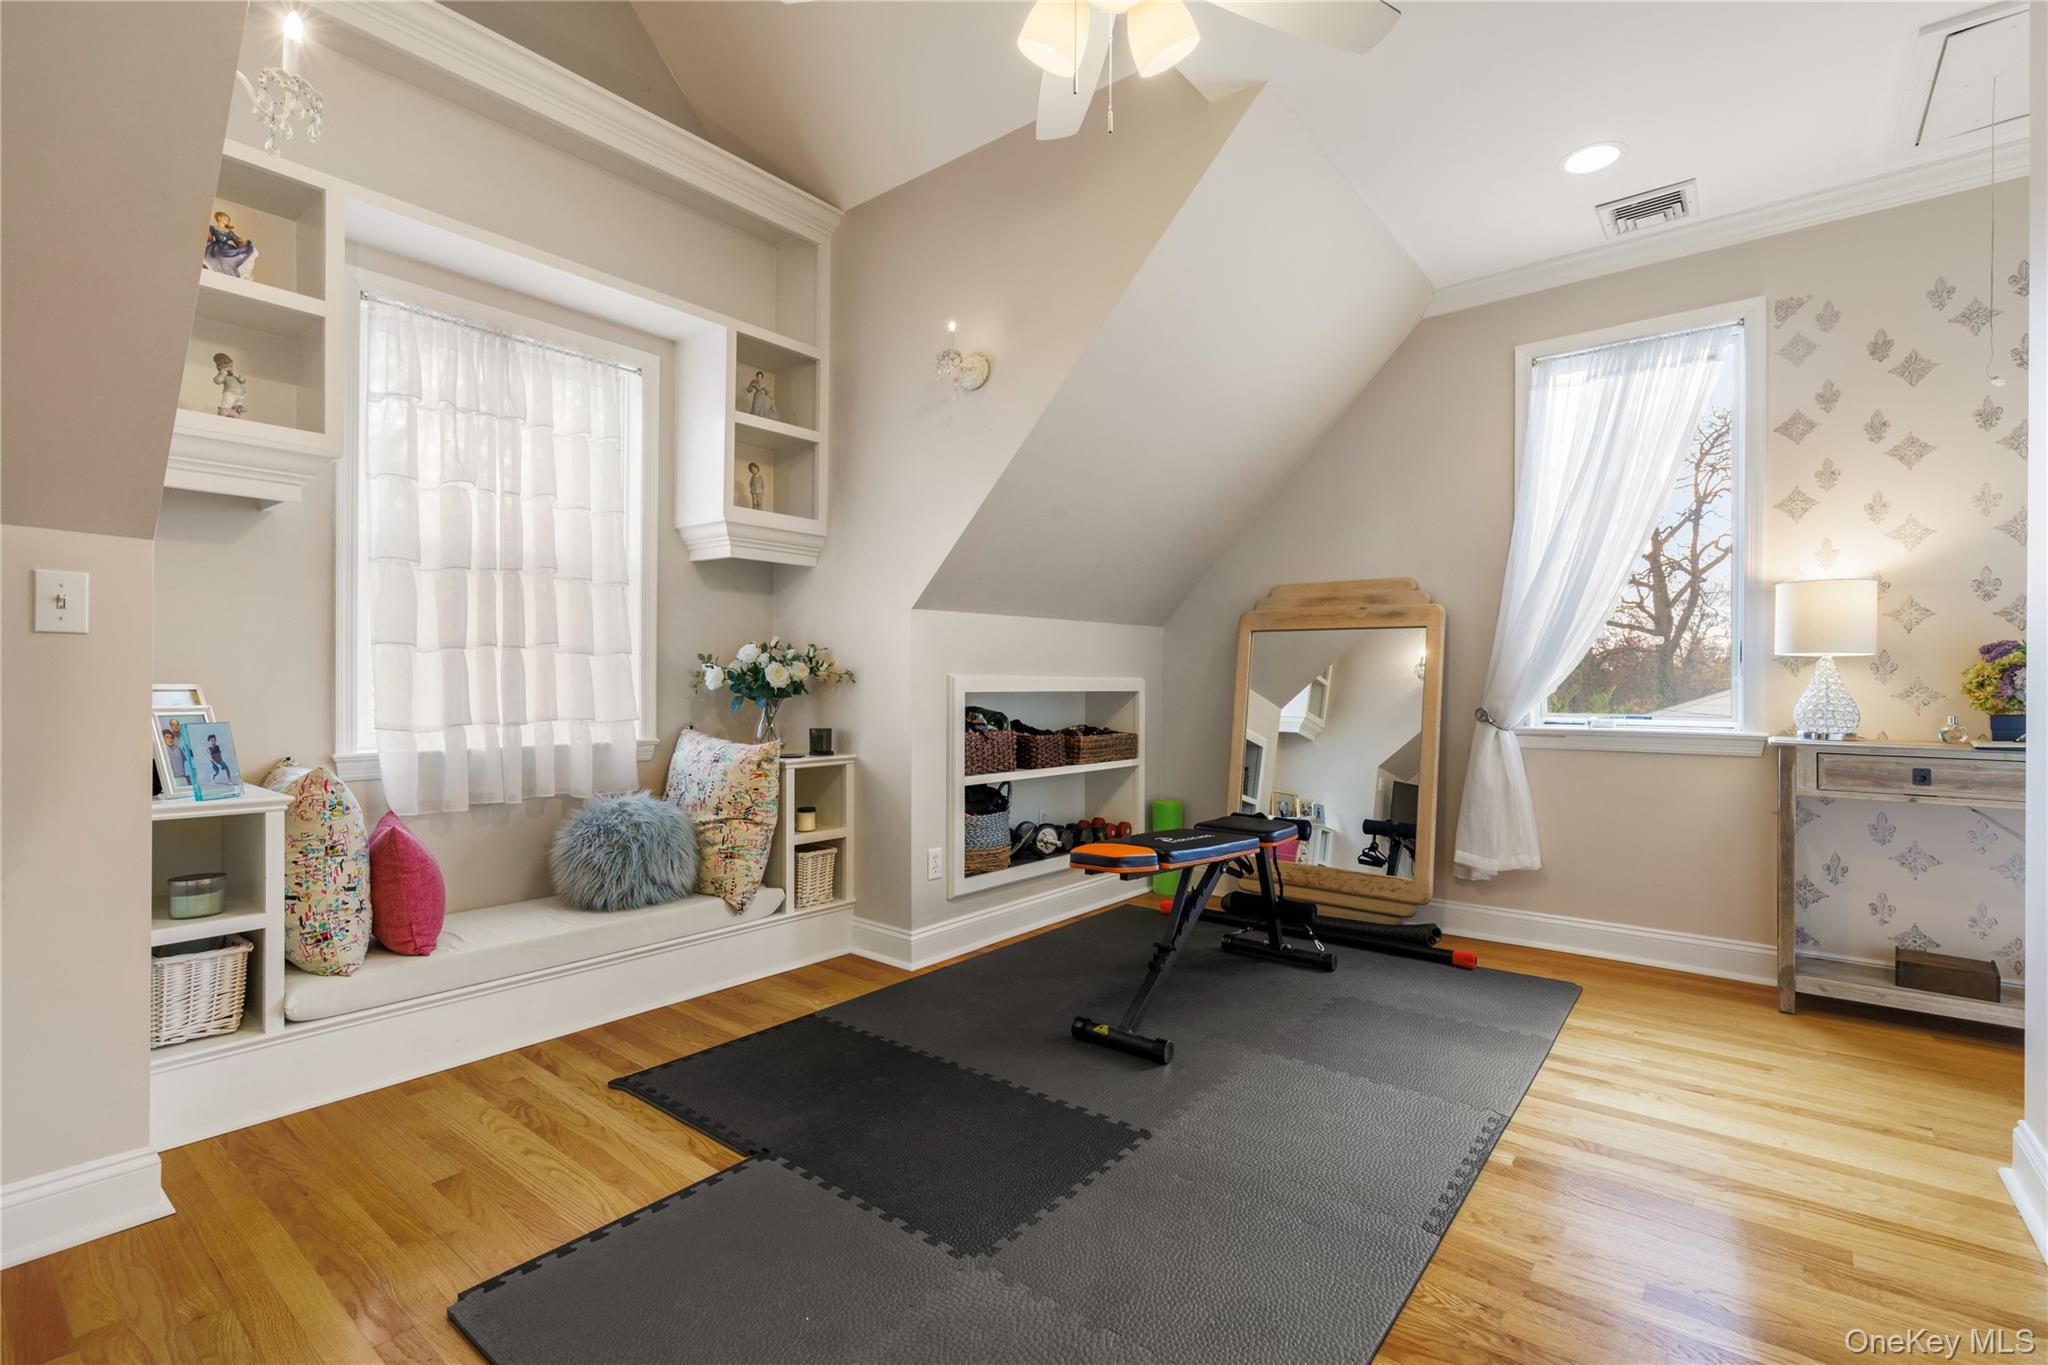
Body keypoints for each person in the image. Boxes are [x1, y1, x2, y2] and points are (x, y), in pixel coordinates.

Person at [203, 211, 259, 279]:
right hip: (215, 248)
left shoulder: (229, 232)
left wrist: (241, 242)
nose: (227, 221)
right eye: (225, 219)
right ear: (219, 218)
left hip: (226, 248)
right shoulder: (212, 228)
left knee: (228, 259)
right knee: (213, 257)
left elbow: (237, 241)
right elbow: (209, 238)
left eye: (227, 220)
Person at [213, 353, 247, 418]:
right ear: (220, 367)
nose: (229, 368)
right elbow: (218, 381)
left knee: (237, 408)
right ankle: (224, 412)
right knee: (226, 407)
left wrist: (237, 375)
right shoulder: (223, 375)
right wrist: (223, 373)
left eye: (231, 366)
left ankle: (236, 411)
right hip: (230, 394)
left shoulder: (233, 375)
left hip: (239, 395)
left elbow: (243, 380)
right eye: (226, 367)